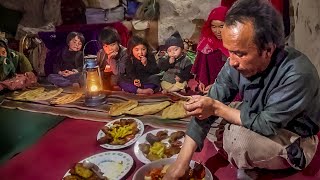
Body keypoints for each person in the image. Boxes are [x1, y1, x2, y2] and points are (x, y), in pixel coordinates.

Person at [164, 0, 320, 179]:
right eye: (229, 51)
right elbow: (213, 98)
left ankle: (278, 157)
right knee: (203, 111)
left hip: (291, 134)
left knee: (237, 140)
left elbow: (266, 124)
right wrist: (181, 163)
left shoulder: (298, 73)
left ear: (268, 50)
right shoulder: (235, 62)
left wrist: (216, 108)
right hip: (254, 113)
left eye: (240, 53)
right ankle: (246, 156)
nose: (232, 61)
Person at [191, 6, 229, 94]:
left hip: (230, 86)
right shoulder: (206, 45)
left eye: (221, 26)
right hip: (209, 87)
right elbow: (202, 67)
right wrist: (202, 82)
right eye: (213, 26)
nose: (217, 31)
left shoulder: (236, 45)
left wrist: (218, 85)